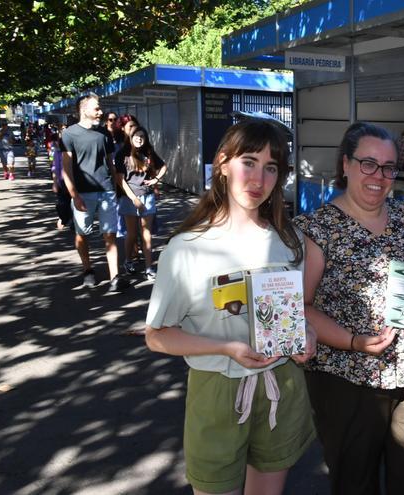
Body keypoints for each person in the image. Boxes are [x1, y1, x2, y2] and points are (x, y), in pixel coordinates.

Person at [144, 118, 316, 495]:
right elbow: (157, 336)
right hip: (218, 390)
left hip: (282, 383)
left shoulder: (290, 241)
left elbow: (296, 313)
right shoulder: (187, 248)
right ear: (222, 163)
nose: (258, 179)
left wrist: (308, 335)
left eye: (271, 167)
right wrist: (225, 348)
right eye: (248, 162)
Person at [294, 122, 404, 495]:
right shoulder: (319, 228)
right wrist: (354, 341)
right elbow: (301, 305)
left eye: (388, 167)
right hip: (348, 377)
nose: (379, 176)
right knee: (355, 482)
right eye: (368, 164)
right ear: (345, 164)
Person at [60, 93, 125, 292]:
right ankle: (88, 270)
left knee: (110, 235)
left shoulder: (105, 134)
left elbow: (110, 163)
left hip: (106, 190)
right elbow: (67, 167)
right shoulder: (69, 134)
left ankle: (115, 277)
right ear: (84, 110)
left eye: (100, 108)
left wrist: (116, 188)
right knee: (82, 234)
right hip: (82, 193)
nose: (100, 112)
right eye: (96, 108)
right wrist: (74, 195)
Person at [115, 126, 167, 279]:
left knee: (146, 234)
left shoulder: (148, 152)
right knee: (131, 233)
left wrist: (156, 180)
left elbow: (163, 166)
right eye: (136, 136)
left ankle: (149, 268)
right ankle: (129, 261)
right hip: (129, 197)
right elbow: (120, 180)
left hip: (147, 196)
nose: (139, 138)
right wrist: (134, 199)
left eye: (142, 136)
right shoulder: (122, 154)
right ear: (130, 137)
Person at [50, 129, 72, 230]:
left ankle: (73, 222)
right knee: (62, 204)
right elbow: (55, 168)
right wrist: (55, 183)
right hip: (62, 182)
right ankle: (63, 218)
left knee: (73, 202)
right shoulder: (57, 153)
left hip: (74, 181)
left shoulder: (74, 152)